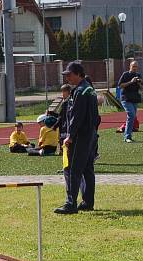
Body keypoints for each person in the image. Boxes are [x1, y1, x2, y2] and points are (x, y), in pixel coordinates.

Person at [55, 62, 100, 214]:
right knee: (87, 169)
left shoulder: (80, 91)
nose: (67, 78)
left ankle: (70, 203)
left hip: (80, 136)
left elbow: (76, 116)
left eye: (69, 74)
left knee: (73, 170)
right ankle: (88, 202)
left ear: (78, 74)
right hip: (90, 135)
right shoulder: (89, 89)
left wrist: (70, 136)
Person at [117, 61, 143, 143]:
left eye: (136, 67)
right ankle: (127, 136)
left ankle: (128, 136)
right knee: (131, 115)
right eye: (133, 66)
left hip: (134, 99)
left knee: (132, 117)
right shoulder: (125, 74)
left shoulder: (138, 75)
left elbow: (142, 88)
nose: (135, 68)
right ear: (130, 66)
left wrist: (139, 83)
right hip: (126, 98)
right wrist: (131, 82)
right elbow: (120, 86)